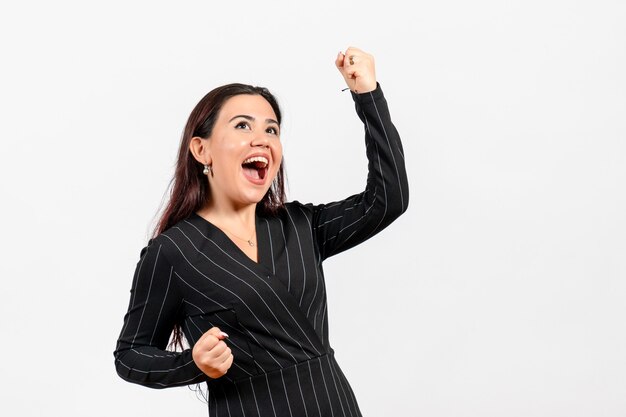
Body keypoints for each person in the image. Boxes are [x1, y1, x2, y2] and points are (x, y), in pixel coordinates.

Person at [114, 46, 409, 416]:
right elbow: (130, 355)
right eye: (242, 125)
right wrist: (192, 365)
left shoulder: (301, 225)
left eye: (272, 129)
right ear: (201, 149)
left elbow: (388, 199)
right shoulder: (174, 252)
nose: (262, 139)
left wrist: (367, 95)